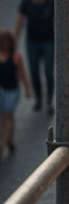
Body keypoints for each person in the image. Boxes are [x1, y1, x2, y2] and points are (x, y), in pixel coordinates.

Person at [14, 0, 55, 114]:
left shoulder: (50, 1)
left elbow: (57, 21)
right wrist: (14, 41)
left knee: (49, 71)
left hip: (49, 41)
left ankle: (49, 101)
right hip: (32, 43)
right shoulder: (26, 2)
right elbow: (20, 21)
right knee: (34, 72)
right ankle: (39, 98)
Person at [0, 28, 31, 158]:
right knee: (4, 117)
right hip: (1, 89)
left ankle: (2, 144)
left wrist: (27, 89)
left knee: (8, 116)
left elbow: (22, 73)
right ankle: (9, 139)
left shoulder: (16, 56)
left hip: (12, 91)